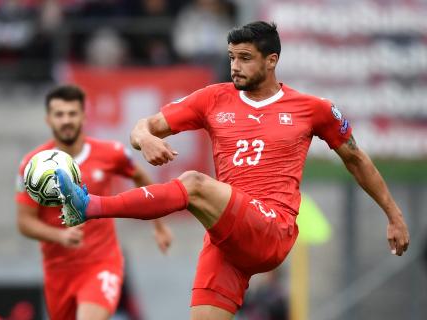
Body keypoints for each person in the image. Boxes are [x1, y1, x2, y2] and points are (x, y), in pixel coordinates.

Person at [54, 22, 410, 320]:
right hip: (228, 238)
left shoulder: (313, 109)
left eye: (244, 58)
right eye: (231, 58)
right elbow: (143, 126)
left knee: (193, 183)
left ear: (272, 61)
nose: (235, 66)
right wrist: (145, 138)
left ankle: (89, 207)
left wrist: (393, 215)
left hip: (272, 228)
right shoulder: (213, 98)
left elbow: (356, 159)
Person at [15, 85, 172, 320]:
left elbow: (141, 178)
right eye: (59, 114)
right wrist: (61, 236)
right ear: (48, 119)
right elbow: (24, 223)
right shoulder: (32, 167)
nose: (66, 120)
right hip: (58, 271)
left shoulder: (111, 153)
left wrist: (159, 225)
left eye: (72, 113)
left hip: (102, 263)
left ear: (83, 116)